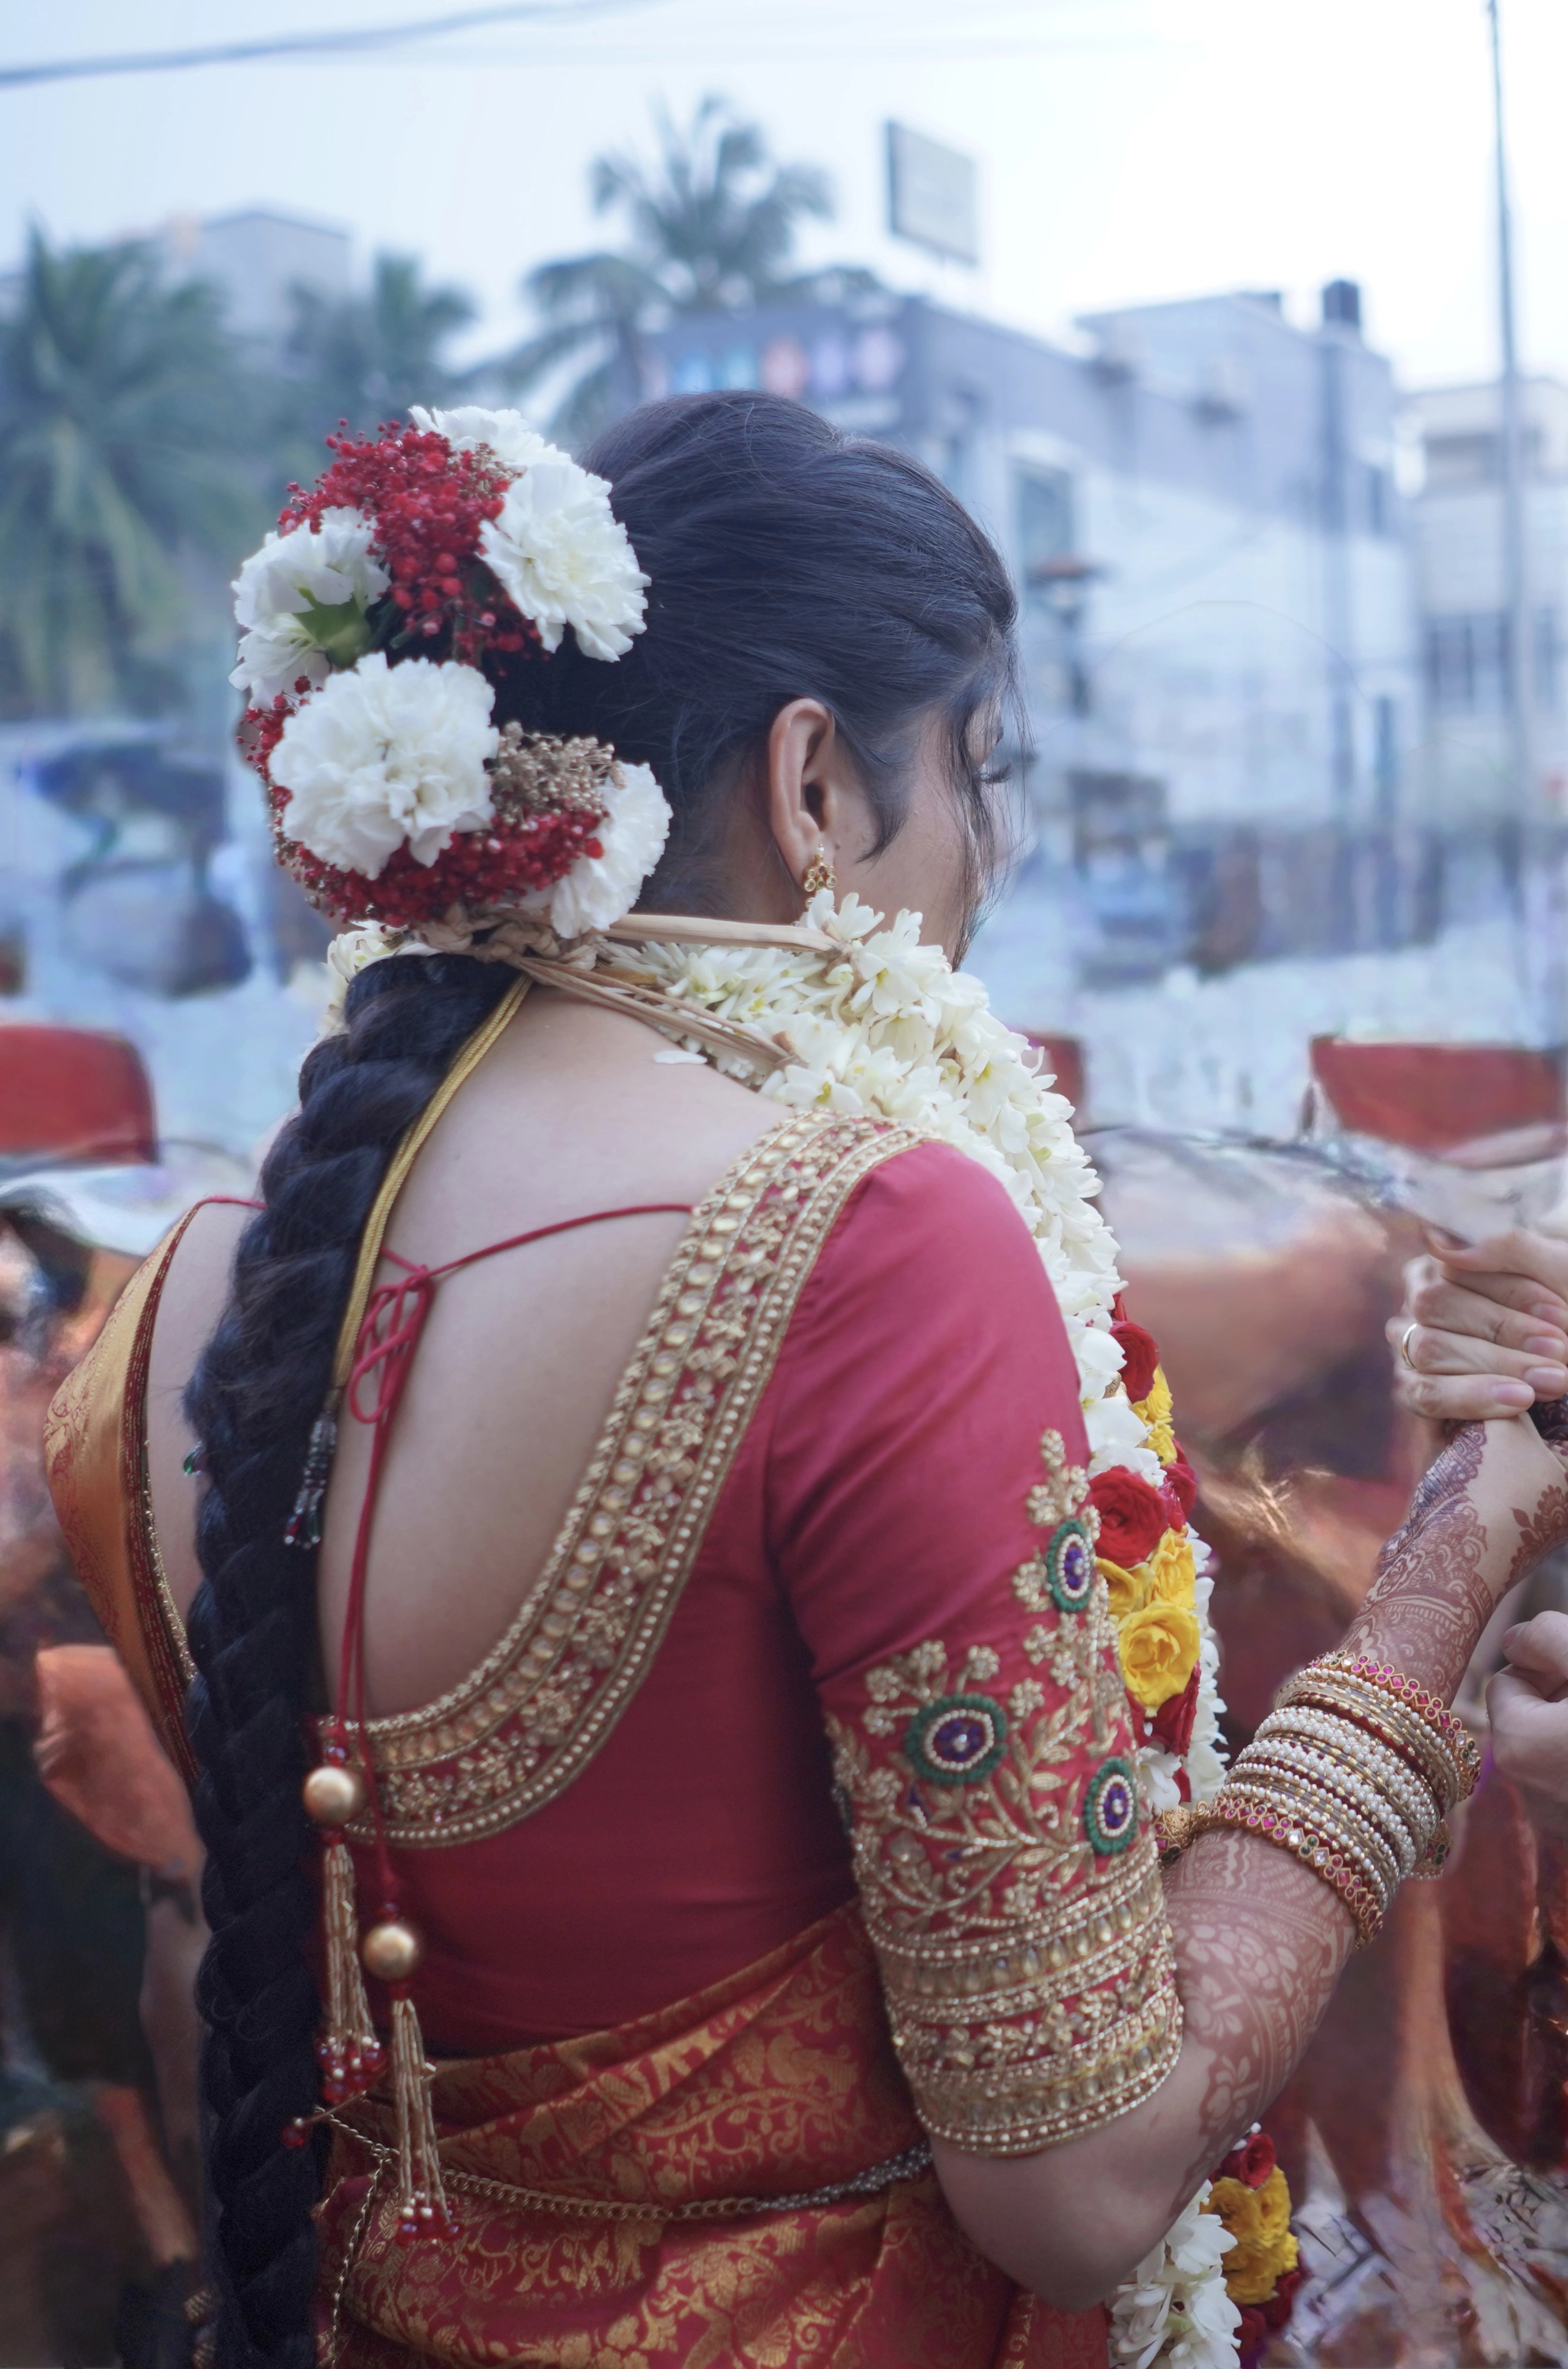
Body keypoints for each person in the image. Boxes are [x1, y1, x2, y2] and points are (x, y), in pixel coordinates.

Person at [41, 392, 1568, 2369]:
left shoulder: (185, 1293)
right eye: (980, 774)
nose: (992, 857)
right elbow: (1082, 2182)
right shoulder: (873, 1242)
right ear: (817, 784)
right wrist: (1449, 1571)